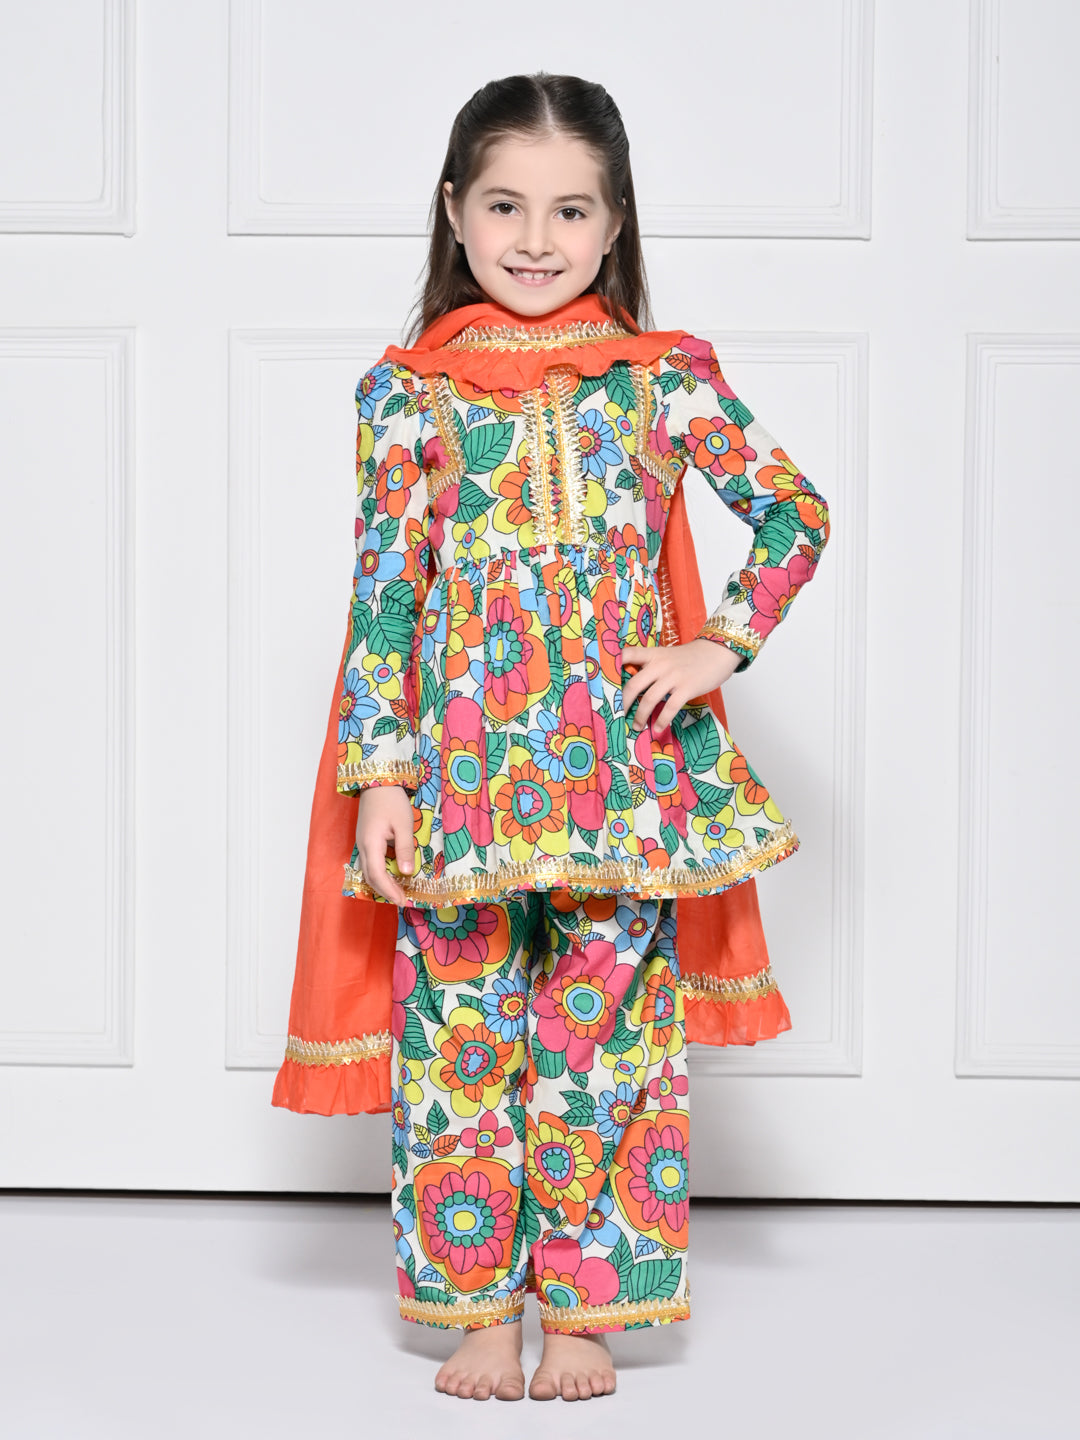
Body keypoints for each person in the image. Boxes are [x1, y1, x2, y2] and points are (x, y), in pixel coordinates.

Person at [282, 72, 829, 1403]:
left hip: (619, 783)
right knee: (457, 1040)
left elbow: (794, 512)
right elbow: (386, 594)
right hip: (459, 784)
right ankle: (476, 1306)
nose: (536, 239)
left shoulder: (663, 379)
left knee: (608, 1043)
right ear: (453, 211)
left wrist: (718, 646)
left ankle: (587, 1308)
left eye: (571, 210)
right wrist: (380, 777)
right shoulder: (406, 396)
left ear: (614, 220)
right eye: (506, 205)